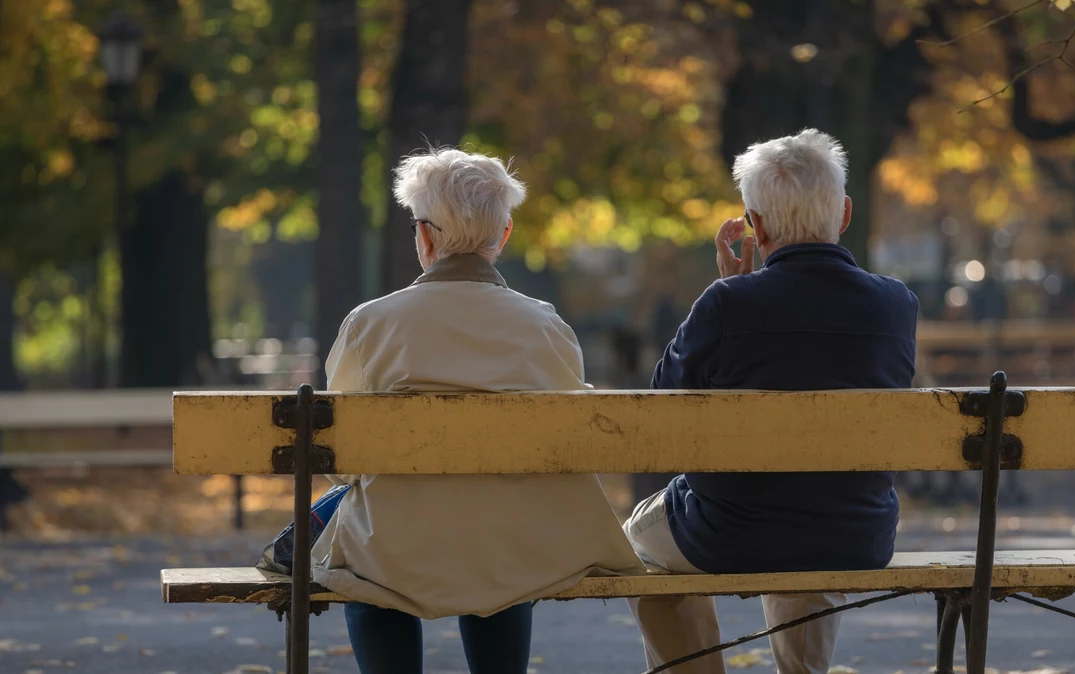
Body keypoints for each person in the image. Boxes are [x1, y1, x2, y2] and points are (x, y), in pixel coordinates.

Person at [314, 147, 644, 674]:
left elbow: (343, 458)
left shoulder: (370, 324)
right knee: (497, 545)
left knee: (370, 571)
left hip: (398, 548)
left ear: (424, 236)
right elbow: (568, 449)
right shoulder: (544, 325)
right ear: (504, 234)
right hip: (515, 546)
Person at [624, 129, 919, 674]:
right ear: (845, 213)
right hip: (855, 533)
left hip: (726, 534)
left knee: (638, 542)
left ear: (755, 226)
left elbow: (659, 401)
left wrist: (730, 291)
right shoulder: (895, 306)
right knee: (810, 515)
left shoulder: (727, 303)